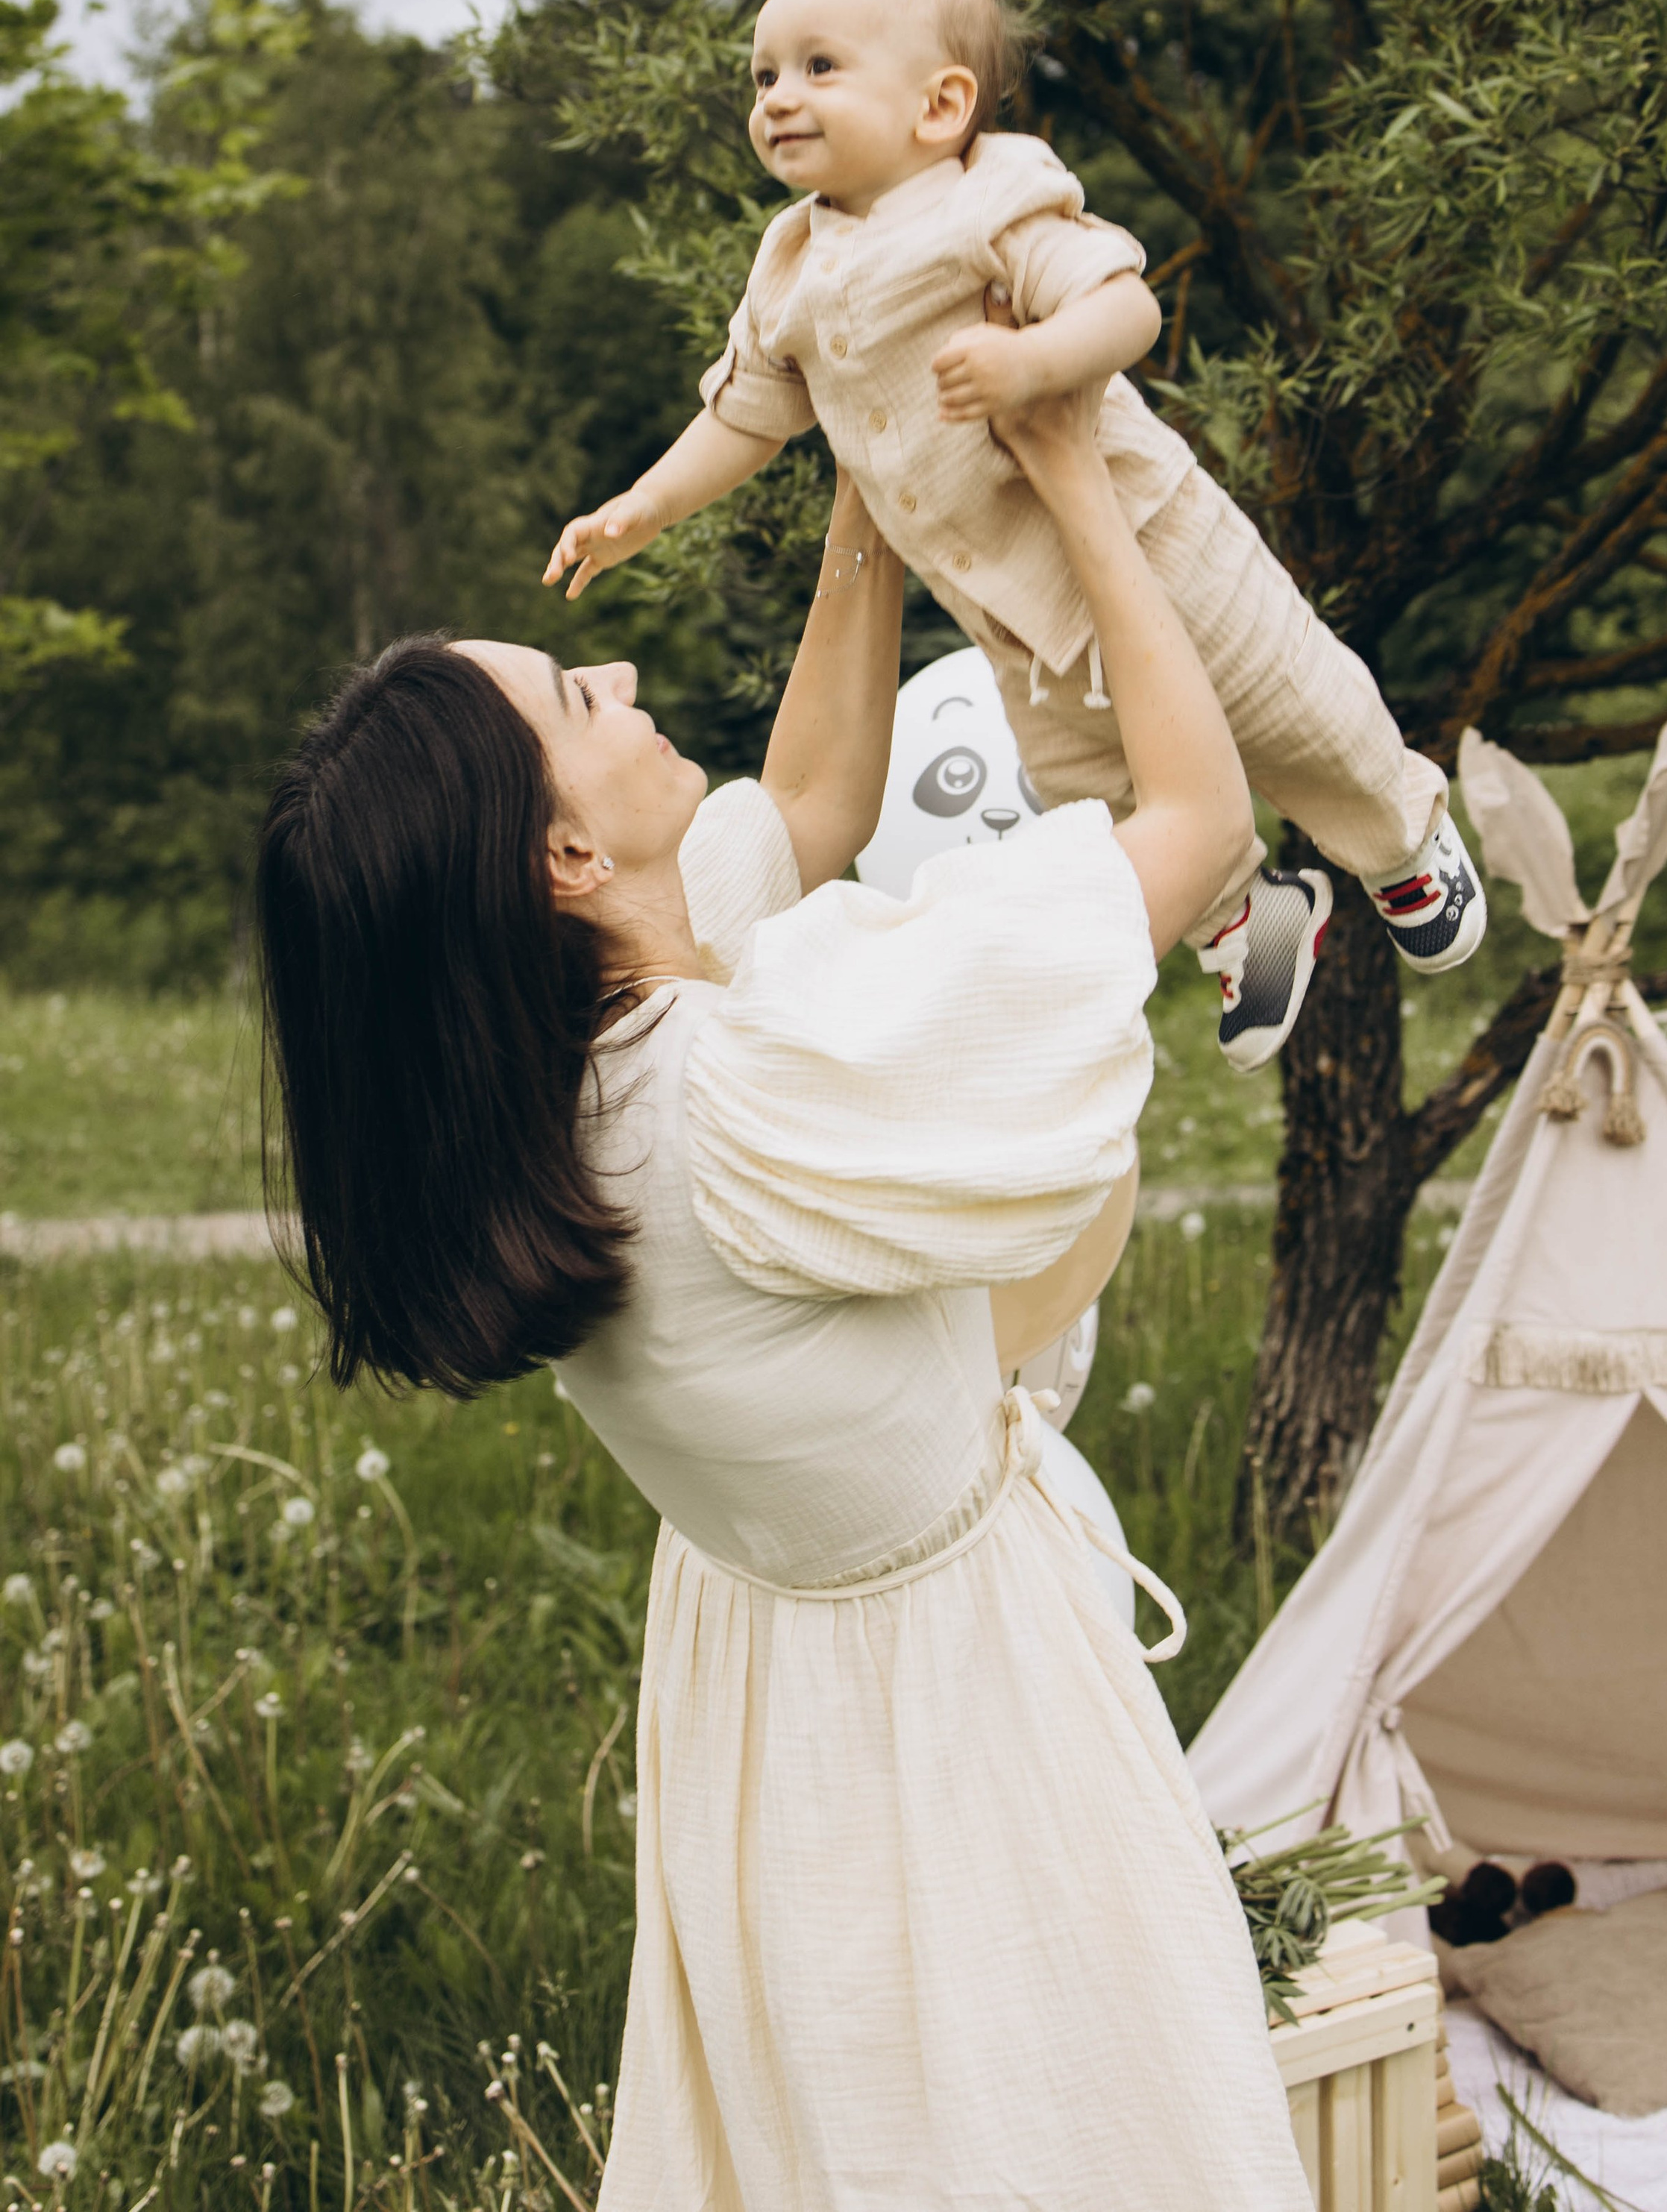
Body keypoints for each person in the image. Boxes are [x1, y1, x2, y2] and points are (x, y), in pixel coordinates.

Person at [257, 386, 1311, 2212]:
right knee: (1074, 2122)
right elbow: (1202, 819)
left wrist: (866, 484)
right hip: (958, 1689)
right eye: (584, 703)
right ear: (565, 863)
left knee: (854, 2134)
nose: (630, 686)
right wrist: (1069, 474)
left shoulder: (553, 1079)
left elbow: (815, 800)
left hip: (772, 1686)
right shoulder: (760, 1082)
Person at [544, 0, 1487, 1073]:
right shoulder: (786, 262)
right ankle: (1246, 913)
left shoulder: (990, 197)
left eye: (818, 68)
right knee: (1100, 792)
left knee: (1291, 702)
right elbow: (749, 414)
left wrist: (1037, 363)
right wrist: (643, 506)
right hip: (1010, 616)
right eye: (764, 77)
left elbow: (1125, 309)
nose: (780, 97)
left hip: (1154, 539)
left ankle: (1398, 836)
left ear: (942, 105)